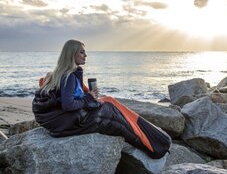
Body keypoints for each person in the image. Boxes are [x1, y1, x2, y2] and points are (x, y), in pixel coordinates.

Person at [32, 39, 171, 159]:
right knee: (114, 113)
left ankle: (153, 139)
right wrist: (88, 98)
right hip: (71, 122)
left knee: (109, 102)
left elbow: (68, 94)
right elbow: (68, 105)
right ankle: (155, 147)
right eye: (81, 52)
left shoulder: (59, 73)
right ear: (71, 54)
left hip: (61, 124)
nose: (85, 55)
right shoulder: (69, 76)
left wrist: (89, 95)